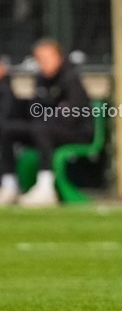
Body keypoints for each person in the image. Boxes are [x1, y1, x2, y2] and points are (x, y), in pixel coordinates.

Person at [0, 39, 94, 208]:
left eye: (47, 57)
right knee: (6, 129)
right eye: (39, 59)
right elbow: (34, 110)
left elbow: (73, 115)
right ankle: (9, 185)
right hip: (44, 129)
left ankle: (46, 187)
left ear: (58, 57)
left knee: (42, 129)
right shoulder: (41, 80)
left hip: (76, 132)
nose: (44, 63)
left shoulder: (71, 79)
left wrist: (46, 119)